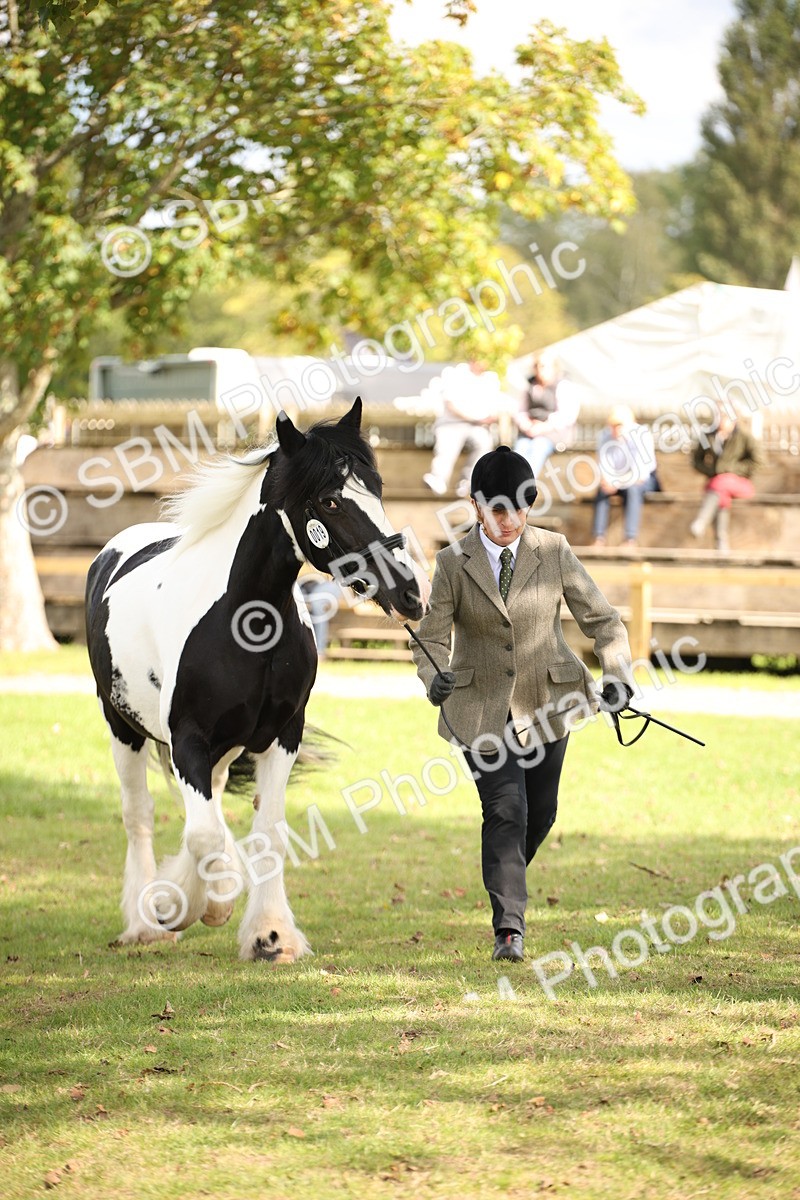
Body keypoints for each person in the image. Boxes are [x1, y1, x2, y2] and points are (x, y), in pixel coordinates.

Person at [411, 446, 634, 963]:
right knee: (506, 810)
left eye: (520, 506)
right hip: (478, 710)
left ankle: (503, 872)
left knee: (541, 813)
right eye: (498, 509)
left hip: (550, 703)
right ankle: (509, 928)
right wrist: (433, 677)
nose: (510, 520)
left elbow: (603, 620)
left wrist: (618, 675)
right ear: (475, 505)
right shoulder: (451, 563)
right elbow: (429, 638)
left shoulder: (553, 550)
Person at [689, 410, 764, 553]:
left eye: (724, 418)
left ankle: (702, 522)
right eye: (719, 417)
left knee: (719, 484)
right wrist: (711, 470)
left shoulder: (744, 436)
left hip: (741, 483)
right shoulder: (709, 436)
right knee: (720, 493)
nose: (720, 421)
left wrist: (733, 470)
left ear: (733, 421)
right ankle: (721, 543)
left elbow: (758, 461)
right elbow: (696, 460)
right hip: (717, 485)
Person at [423, 361, 501, 497]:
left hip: (477, 427)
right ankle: (438, 479)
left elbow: (495, 408)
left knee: (484, 443)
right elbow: (451, 405)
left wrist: (486, 418)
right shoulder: (454, 373)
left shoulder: (491, 378)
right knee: (447, 444)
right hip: (451, 424)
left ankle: (468, 482)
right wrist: (475, 418)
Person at [591, 405, 660, 548]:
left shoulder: (642, 435)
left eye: (619, 425)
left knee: (633, 489)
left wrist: (616, 482)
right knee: (602, 491)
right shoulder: (604, 436)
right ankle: (598, 538)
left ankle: (630, 539)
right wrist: (608, 480)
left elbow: (641, 473)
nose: (615, 429)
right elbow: (603, 463)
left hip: (644, 480)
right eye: (613, 425)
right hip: (617, 479)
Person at [513, 351, 580, 477]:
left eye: (543, 366)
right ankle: (513, 486)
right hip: (529, 433)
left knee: (538, 448)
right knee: (519, 451)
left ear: (554, 367)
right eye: (536, 366)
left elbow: (567, 415)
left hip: (553, 433)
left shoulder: (563, 385)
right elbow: (520, 412)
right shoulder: (529, 385)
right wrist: (527, 425)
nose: (539, 369)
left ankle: (525, 487)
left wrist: (542, 427)